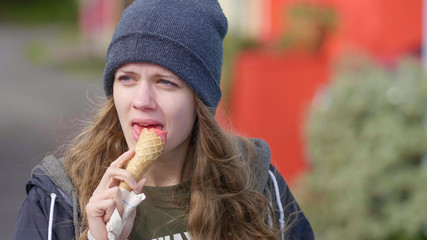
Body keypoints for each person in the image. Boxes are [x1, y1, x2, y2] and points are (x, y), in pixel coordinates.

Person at [14, 0, 314, 239]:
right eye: (127, 78)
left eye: (165, 82)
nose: (141, 101)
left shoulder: (256, 182)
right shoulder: (59, 197)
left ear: (200, 99)